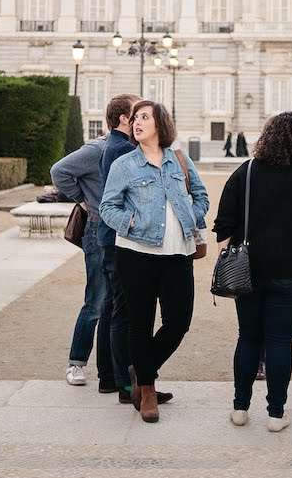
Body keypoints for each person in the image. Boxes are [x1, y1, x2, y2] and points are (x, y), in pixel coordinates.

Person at [214, 112, 292, 432]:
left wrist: (231, 247)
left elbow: (222, 222)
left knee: (248, 337)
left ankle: (240, 407)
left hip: (249, 268)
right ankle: (276, 414)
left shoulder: (247, 170)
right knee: (280, 341)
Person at [99, 100, 209, 423]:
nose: (137, 122)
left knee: (179, 322)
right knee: (140, 324)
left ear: (160, 124)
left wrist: (193, 215)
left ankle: (142, 369)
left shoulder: (179, 160)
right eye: (135, 118)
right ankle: (146, 389)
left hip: (178, 254)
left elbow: (201, 196)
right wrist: (130, 223)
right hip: (136, 255)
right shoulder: (124, 165)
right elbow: (107, 207)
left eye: (144, 117)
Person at [97, 94, 154, 406]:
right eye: (138, 115)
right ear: (124, 120)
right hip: (120, 239)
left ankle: (110, 376)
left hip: (110, 237)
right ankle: (127, 384)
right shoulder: (123, 150)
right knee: (124, 313)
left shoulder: (115, 145)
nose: (142, 120)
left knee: (112, 309)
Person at [50, 133, 112, 389]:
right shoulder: (98, 148)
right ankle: (76, 363)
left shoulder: (133, 147)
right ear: (123, 119)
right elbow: (59, 171)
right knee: (95, 301)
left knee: (115, 305)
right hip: (97, 229)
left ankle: (112, 370)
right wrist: (83, 200)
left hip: (121, 233)